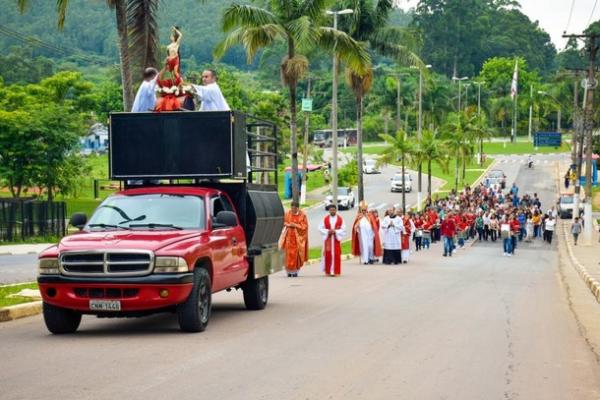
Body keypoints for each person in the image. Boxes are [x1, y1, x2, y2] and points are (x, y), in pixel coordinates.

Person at [278, 202, 308, 277]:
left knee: (296, 254)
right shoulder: (287, 213)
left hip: (297, 239)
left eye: (294, 208)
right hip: (288, 237)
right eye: (292, 208)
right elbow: (283, 222)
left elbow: (305, 226)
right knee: (287, 254)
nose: (293, 210)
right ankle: (288, 271)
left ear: (298, 208)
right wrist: (288, 225)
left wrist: (296, 225)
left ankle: (295, 271)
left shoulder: (302, 215)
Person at [318, 204, 346, 276]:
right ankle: (328, 271)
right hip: (328, 240)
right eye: (331, 210)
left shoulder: (340, 219)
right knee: (328, 255)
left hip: (336, 239)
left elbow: (343, 229)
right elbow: (320, 228)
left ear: (336, 210)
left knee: (336, 255)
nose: (332, 211)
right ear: (329, 210)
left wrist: (336, 231)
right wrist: (328, 231)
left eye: (334, 210)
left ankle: (335, 271)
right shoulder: (325, 219)